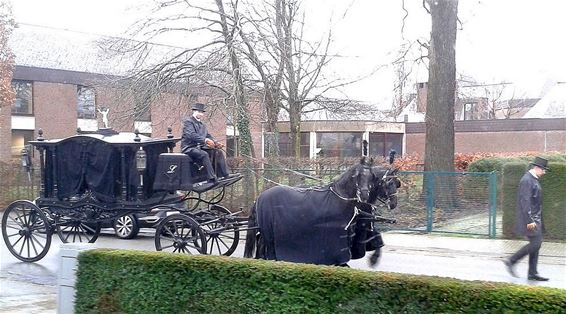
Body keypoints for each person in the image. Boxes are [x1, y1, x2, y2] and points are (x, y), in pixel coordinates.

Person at [503, 156, 549, 281]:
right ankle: (511, 260)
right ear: (537, 168)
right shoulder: (527, 180)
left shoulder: (532, 179)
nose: (544, 172)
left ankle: (532, 273)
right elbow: (525, 202)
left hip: (535, 219)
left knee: (536, 244)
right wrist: (530, 221)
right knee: (536, 243)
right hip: (530, 220)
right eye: (544, 170)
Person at [181, 103, 230, 183]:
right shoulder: (188, 122)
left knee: (218, 152)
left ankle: (225, 174)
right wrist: (206, 141)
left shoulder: (202, 124)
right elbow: (191, 135)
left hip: (200, 147)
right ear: (194, 111)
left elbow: (208, 135)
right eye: (198, 111)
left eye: (201, 112)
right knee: (204, 154)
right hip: (189, 148)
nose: (200, 114)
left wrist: (215, 143)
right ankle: (211, 178)